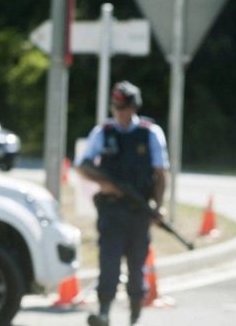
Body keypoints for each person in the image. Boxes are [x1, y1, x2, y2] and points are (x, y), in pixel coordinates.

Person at [75, 81, 169, 326]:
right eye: (116, 107)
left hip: (138, 211)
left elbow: (160, 174)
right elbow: (83, 165)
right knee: (109, 262)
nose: (120, 113)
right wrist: (107, 185)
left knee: (137, 266)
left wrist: (156, 208)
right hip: (111, 210)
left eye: (124, 108)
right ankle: (104, 312)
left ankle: (135, 313)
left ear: (134, 107)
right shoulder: (103, 132)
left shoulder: (150, 133)